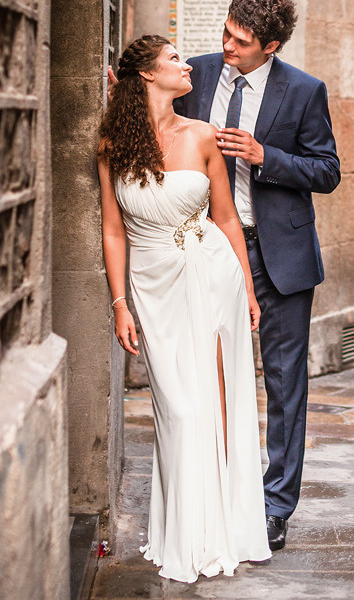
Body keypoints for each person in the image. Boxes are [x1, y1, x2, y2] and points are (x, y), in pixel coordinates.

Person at [98, 34, 271, 583]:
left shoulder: (201, 135)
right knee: (178, 408)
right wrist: (120, 303)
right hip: (153, 287)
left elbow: (226, 218)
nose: (187, 65)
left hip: (213, 274)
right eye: (174, 58)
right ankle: (183, 530)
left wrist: (248, 288)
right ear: (149, 75)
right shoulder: (112, 144)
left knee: (214, 406)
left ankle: (218, 531)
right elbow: (112, 230)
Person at [174, 0, 340, 551]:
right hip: (208, 250)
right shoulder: (197, 74)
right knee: (206, 374)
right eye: (227, 32)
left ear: (270, 46)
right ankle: (215, 493)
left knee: (285, 384)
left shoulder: (304, 91)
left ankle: (275, 506)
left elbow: (327, 170)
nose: (228, 46)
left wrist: (266, 156)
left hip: (279, 260)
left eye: (241, 42)